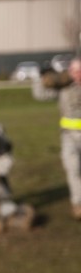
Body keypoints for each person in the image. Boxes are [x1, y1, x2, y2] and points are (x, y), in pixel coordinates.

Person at [57, 57, 81, 220]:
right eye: (74, 71)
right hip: (69, 136)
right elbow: (40, 94)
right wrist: (42, 78)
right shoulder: (64, 88)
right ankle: (78, 203)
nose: (77, 74)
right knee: (73, 168)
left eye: (80, 71)